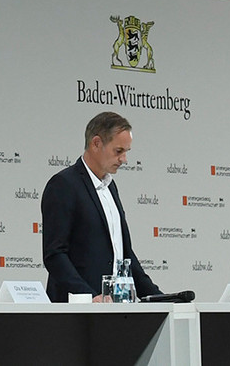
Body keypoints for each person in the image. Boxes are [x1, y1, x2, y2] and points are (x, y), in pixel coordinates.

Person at [41, 111, 161, 300]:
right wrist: (89, 296)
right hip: (76, 312)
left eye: (126, 152)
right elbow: (55, 255)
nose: (124, 159)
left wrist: (159, 298)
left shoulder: (110, 187)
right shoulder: (64, 184)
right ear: (96, 143)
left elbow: (124, 254)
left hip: (114, 308)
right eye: (118, 151)